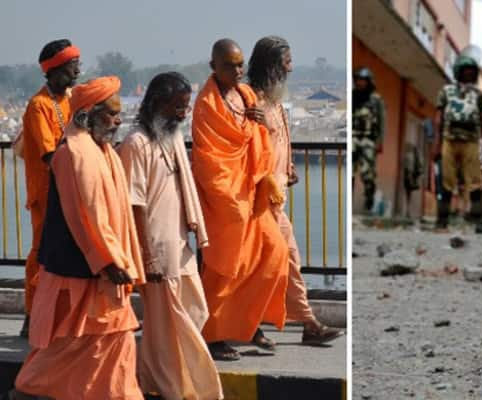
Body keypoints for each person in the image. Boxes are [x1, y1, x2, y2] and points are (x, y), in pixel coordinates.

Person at [12, 76, 146, 400]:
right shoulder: (71, 154)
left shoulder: (103, 151)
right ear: (88, 115)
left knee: (110, 344)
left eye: (119, 114)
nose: (118, 121)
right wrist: (108, 261)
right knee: (74, 346)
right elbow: (82, 217)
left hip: (97, 268)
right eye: (112, 114)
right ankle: (29, 389)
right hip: (82, 270)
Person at [118, 72, 223, 399]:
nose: (184, 112)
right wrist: (145, 255)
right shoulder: (136, 143)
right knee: (165, 327)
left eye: (186, 105)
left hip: (180, 241)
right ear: (158, 104)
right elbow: (133, 203)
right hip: (156, 248)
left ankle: (157, 381)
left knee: (194, 310)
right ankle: (172, 388)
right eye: (179, 106)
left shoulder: (174, 136)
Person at [191, 39, 289, 361]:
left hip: (252, 193)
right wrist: (231, 203)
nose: (237, 71)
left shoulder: (246, 95)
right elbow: (209, 161)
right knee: (226, 269)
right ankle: (212, 335)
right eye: (229, 65)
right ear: (213, 67)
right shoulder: (206, 104)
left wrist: (258, 124)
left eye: (240, 64)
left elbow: (257, 141)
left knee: (274, 254)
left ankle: (247, 324)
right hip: (225, 202)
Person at [247, 36, 343, 345]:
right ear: (271, 65)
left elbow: (279, 138)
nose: (290, 67)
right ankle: (306, 323)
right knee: (281, 259)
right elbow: (247, 147)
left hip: (276, 198)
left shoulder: (273, 100)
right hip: (257, 201)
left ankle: (293, 323)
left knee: (277, 262)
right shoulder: (251, 100)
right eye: (286, 62)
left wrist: (288, 167)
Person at [19, 39, 81, 337]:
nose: (78, 72)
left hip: (68, 191)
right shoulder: (38, 106)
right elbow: (48, 154)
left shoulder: (70, 101)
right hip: (46, 193)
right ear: (55, 70)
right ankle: (32, 316)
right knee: (41, 253)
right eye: (72, 67)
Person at [432, 54, 482, 234]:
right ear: (458, 72)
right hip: (449, 139)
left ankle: (480, 221)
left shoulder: (478, 95)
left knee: (475, 181)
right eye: (465, 70)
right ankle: (442, 220)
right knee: (447, 180)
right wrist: (436, 143)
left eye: (471, 71)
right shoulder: (446, 91)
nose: (468, 74)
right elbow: (438, 119)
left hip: (471, 141)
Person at [352, 67, 385, 213]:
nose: (359, 83)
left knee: (368, 174)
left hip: (368, 139)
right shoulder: (353, 96)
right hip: (353, 136)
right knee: (351, 173)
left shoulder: (376, 99)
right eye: (357, 80)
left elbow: (382, 122)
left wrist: (380, 141)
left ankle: (369, 199)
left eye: (362, 81)